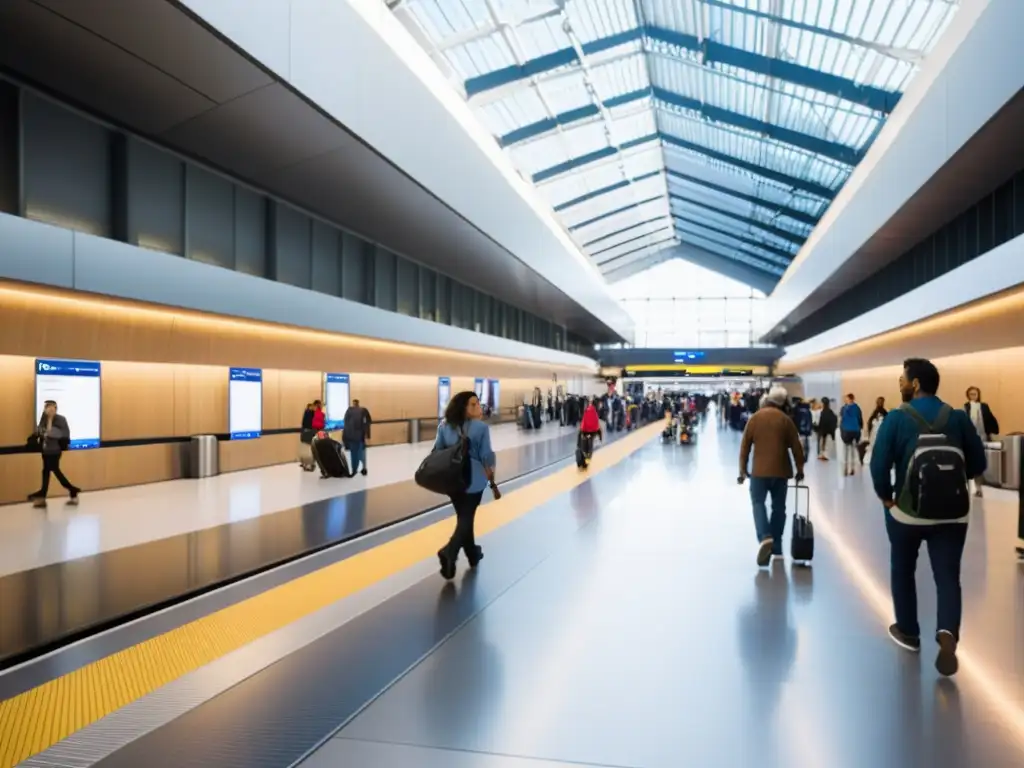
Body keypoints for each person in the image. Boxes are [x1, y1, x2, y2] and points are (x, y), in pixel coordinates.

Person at [869, 358, 986, 677]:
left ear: (915, 384)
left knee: (903, 570)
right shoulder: (959, 417)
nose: (900, 384)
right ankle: (947, 632)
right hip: (953, 515)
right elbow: (978, 465)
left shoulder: (896, 418)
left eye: (902, 379)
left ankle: (908, 631)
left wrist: (887, 499)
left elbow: (879, 465)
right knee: (948, 576)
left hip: (907, 513)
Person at [738, 386, 805, 567]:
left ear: (766, 401)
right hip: (781, 472)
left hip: (759, 472)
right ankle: (777, 546)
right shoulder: (785, 420)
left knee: (758, 503)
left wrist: (742, 471)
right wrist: (800, 469)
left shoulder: (755, 419)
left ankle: (765, 537)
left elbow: (745, 447)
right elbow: (797, 447)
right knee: (779, 508)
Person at [435, 391, 496, 580]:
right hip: (474, 480)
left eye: (478, 404)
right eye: (473, 404)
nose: (478, 407)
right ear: (464, 408)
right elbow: (486, 455)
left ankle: (472, 555)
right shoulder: (480, 428)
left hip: (453, 481)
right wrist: (491, 473)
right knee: (467, 518)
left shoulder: (444, 427)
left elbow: (438, 451)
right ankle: (450, 551)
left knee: (464, 517)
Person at [28, 400, 81, 507]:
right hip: (46, 451)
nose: (49, 410)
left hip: (55, 451)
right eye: (47, 407)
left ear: (56, 409)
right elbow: (41, 431)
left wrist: (50, 420)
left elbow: (52, 433)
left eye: (52, 408)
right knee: (48, 472)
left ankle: (71, 489)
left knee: (51, 471)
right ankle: (71, 490)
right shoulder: (43, 418)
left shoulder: (60, 420)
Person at [964, 387, 999, 497]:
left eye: (975, 394)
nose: (973, 396)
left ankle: (983, 486)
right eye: (971, 394)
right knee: (974, 463)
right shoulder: (966, 406)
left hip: (983, 436)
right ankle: (976, 487)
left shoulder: (984, 406)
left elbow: (990, 419)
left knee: (983, 462)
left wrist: (991, 432)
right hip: (972, 438)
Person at [342, 399, 372, 476]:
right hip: (360, 437)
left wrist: (345, 439)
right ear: (358, 404)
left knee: (353, 454)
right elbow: (368, 422)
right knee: (361, 453)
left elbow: (345, 423)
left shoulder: (349, 411)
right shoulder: (363, 410)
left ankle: (354, 470)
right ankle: (364, 469)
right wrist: (367, 435)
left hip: (351, 436)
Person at [839, 394, 864, 476]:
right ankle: (852, 468)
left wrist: (841, 430)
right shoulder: (857, 408)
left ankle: (845, 468)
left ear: (850, 399)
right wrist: (860, 429)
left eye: (846, 399)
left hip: (846, 430)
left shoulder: (844, 408)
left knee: (846, 449)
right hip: (855, 431)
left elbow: (841, 419)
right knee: (853, 449)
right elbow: (860, 419)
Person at [298, 402, 317, 471]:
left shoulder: (306, 413)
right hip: (309, 433)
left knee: (305, 450)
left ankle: (305, 463)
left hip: (305, 434)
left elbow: (304, 424)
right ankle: (310, 464)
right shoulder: (311, 414)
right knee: (310, 450)